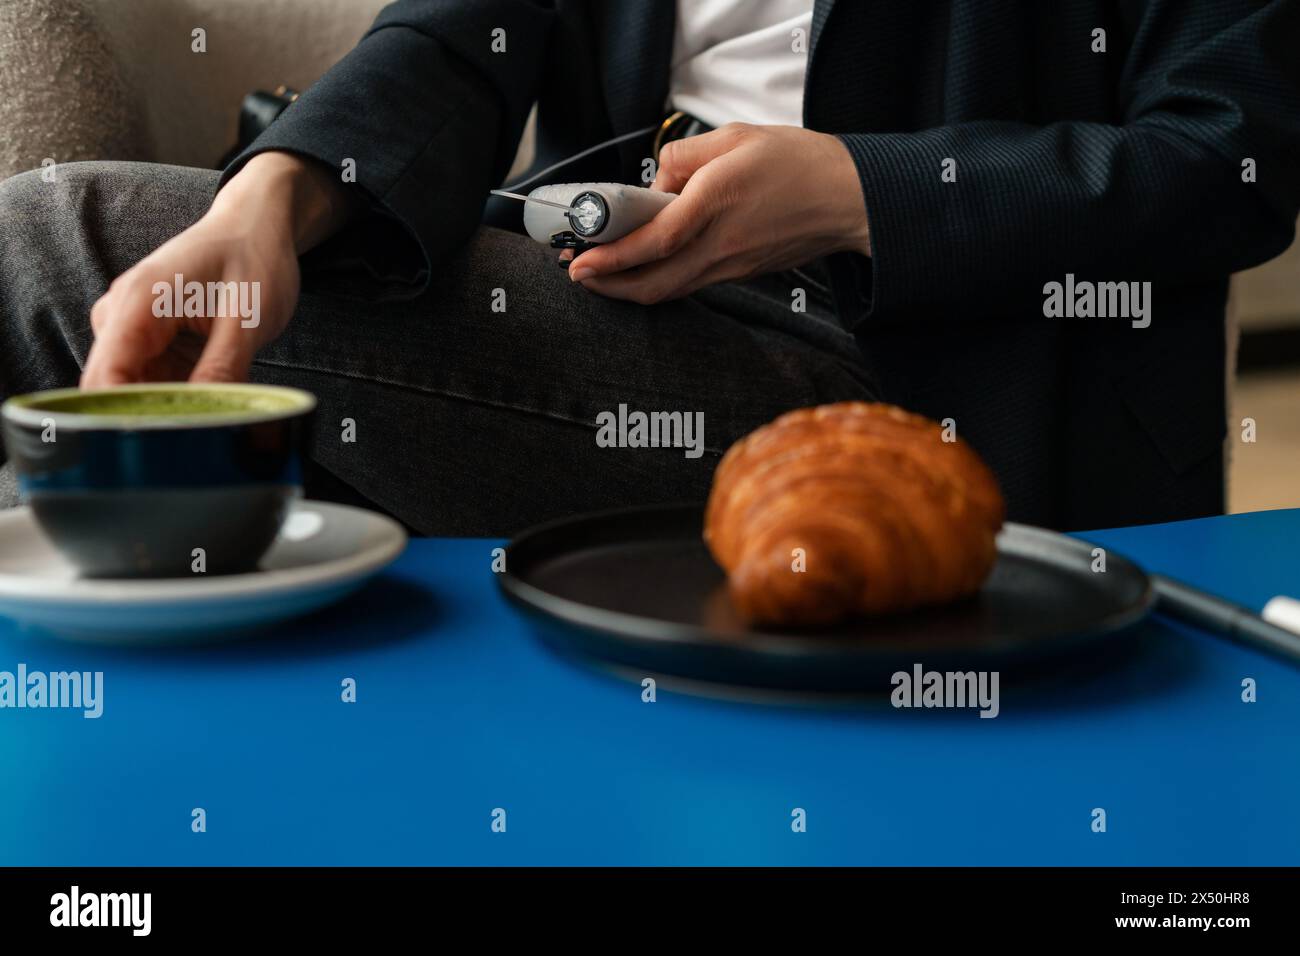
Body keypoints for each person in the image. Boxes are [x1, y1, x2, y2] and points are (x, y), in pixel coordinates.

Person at [1, 0, 1297, 535]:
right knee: (106, 257)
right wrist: (275, 200)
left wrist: (860, 193)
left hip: (941, 388)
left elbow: (1234, 154)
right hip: (614, 305)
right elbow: (456, 38)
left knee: (53, 243)